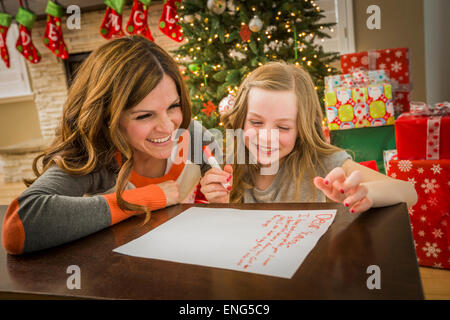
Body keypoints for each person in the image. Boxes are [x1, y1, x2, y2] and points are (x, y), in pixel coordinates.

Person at [2, 36, 215, 255]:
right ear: (106, 116)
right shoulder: (90, 158)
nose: (168, 126)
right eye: (144, 115)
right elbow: (20, 226)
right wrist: (146, 199)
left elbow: (214, 159)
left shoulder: (191, 132)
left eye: (173, 106)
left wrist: (217, 181)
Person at [200, 61, 417, 212]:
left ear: (301, 129)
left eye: (283, 127)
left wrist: (363, 194)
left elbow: (408, 192)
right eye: (256, 122)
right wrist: (221, 203)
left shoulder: (323, 163)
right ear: (241, 120)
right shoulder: (230, 166)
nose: (266, 137)